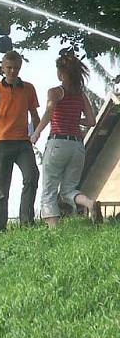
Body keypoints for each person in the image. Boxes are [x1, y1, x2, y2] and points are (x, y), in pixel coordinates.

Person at [30, 54, 100, 227]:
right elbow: (92, 121)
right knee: (69, 189)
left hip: (58, 142)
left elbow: (49, 112)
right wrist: (76, 120)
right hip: (77, 146)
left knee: (49, 190)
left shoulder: (55, 92)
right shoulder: (81, 95)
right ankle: (89, 203)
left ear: (61, 73)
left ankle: (54, 231)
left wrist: (36, 133)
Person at [0, 50, 41, 232]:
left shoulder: (28, 88)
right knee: (2, 188)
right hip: (1, 142)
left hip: (23, 143)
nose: (12, 71)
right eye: (9, 68)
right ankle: (0, 228)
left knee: (32, 176)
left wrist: (35, 133)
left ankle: (27, 223)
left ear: (20, 67)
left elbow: (35, 115)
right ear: (2, 68)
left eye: (16, 68)